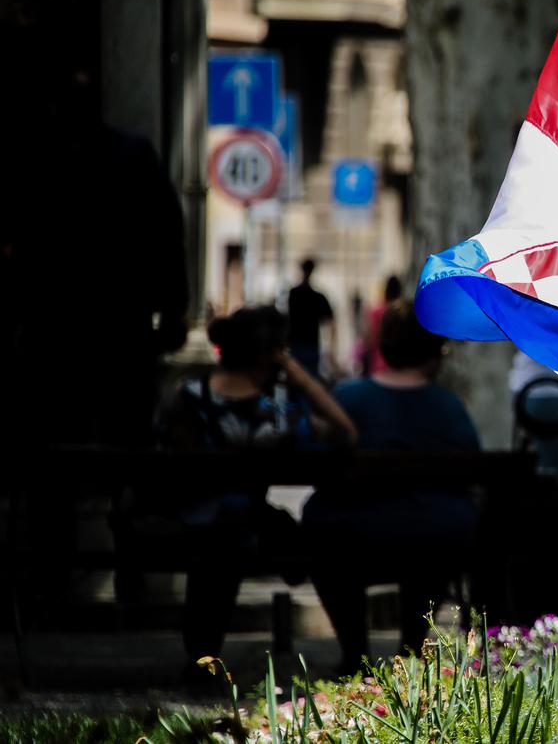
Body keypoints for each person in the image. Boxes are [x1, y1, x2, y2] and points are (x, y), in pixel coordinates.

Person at [138, 306, 356, 676]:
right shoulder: (273, 415)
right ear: (269, 357)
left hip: (176, 525)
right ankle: (205, 653)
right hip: (241, 532)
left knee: (224, 535)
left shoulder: (185, 396)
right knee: (244, 532)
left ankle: (202, 653)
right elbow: (345, 434)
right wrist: (301, 379)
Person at [303, 301, 481, 673]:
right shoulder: (449, 408)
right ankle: (411, 648)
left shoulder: (348, 398)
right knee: (434, 529)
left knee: (322, 526)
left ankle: (355, 653)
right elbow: (471, 469)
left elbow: (314, 458)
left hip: (353, 536)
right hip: (435, 538)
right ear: (434, 354)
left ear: (384, 348)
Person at [287, 257, 336, 379]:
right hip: (310, 345)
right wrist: (330, 349)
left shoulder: (293, 294)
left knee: (295, 381)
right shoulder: (318, 297)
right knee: (310, 380)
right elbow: (330, 322)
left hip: (296, 345)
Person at [360, 275, 403, 375]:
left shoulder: (376, 310)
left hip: (377, 360)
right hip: (399, 364)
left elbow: (369, 338)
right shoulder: (401, 312)